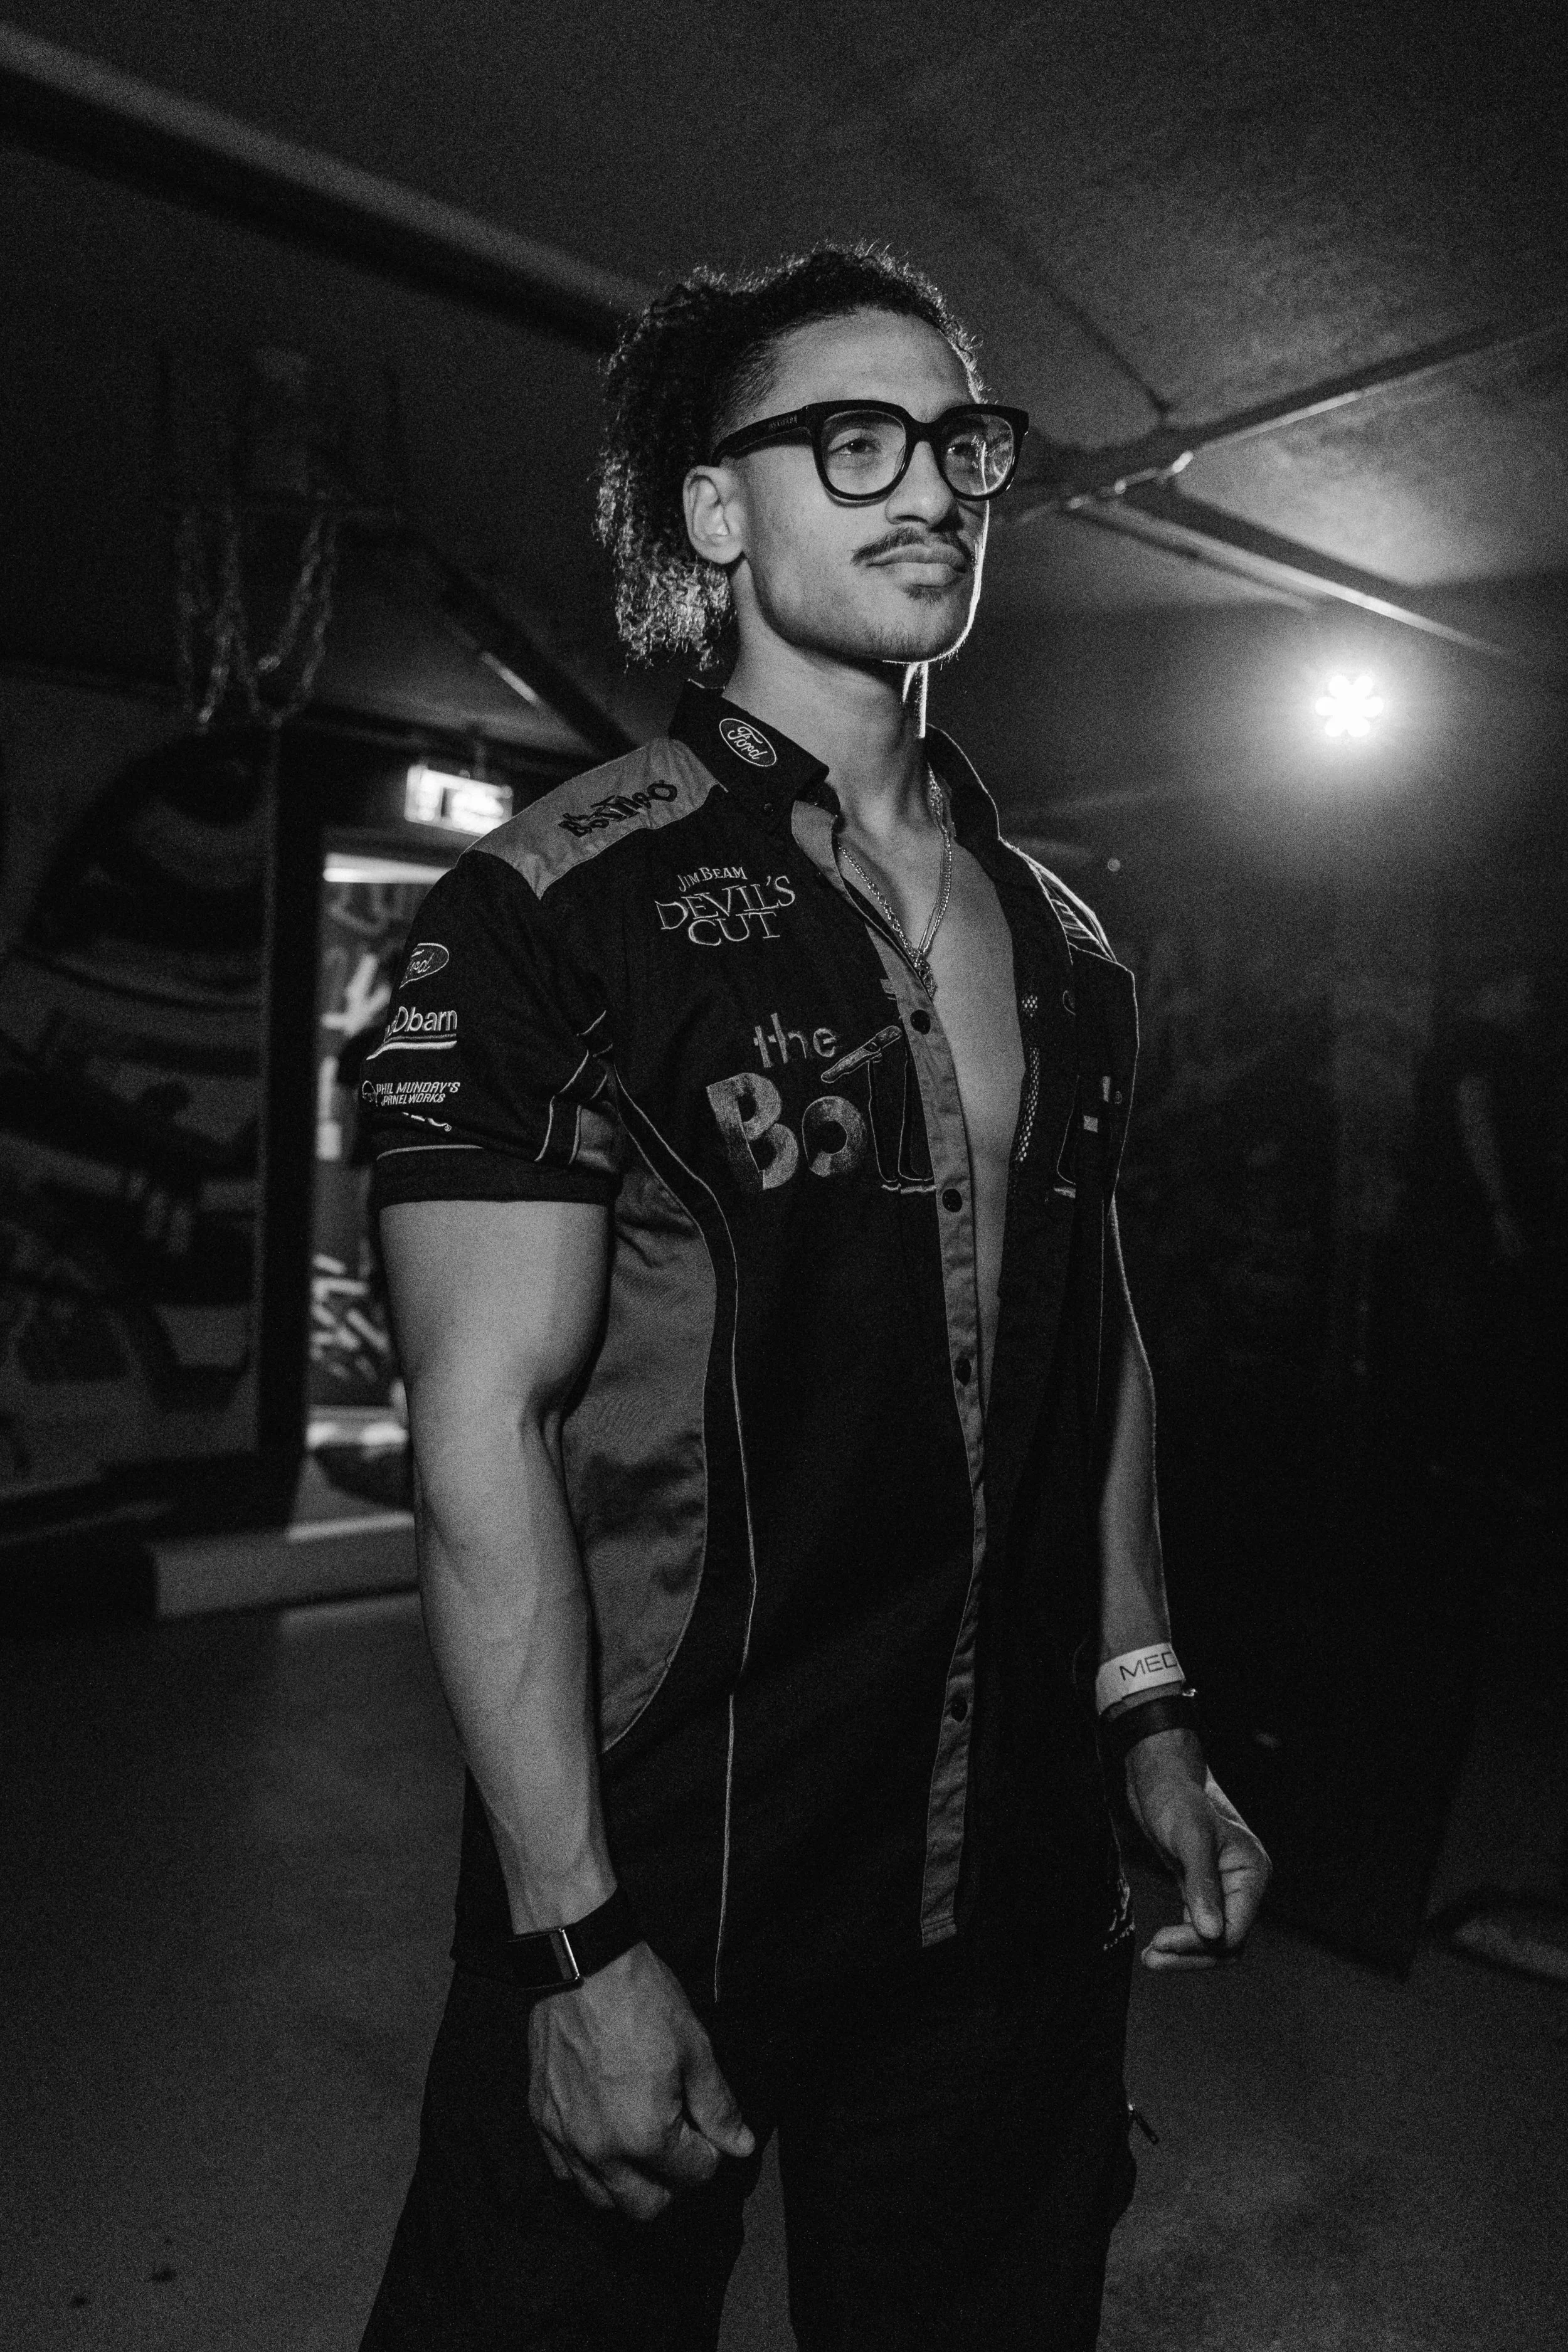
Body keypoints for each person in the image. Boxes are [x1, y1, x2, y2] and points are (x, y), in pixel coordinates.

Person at [359, 243, 1270, 2352]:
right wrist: (576, 1948)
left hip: (1003, 1884)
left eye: (957, 443)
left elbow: (1089, 1320)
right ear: (713, 511)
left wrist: (1143, 1704)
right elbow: (478, 1431)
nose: (931, 488)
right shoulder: (550, 911)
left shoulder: (1069, 944)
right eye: (849, 440)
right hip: (671, 1864)